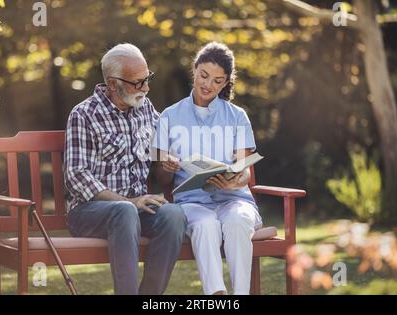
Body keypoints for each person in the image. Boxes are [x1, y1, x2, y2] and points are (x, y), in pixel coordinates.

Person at [63, 43, 187, 295]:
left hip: (137, 209)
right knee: (123, 211)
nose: (146, 88)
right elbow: (76, 176)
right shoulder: (84, 114)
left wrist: (168, 163)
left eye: (147, 79)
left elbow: (163, 173)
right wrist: (128, 201)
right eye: (138, 83)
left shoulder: (147, 110)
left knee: (173, 215)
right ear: (112, 84)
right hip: (89, 212)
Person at [153, 42, 263, 295]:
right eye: (203, 76)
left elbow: (245, 169)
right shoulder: (169, 116)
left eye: (217, 81)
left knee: (237, 221)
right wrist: (166, 165)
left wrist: (235, 180)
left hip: (234, 199)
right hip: (192, 203)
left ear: (225, 83)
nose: (208, 85)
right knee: (205, 226)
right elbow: (162, 179)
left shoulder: (237, 116)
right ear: (194, 69)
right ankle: (217, 295)